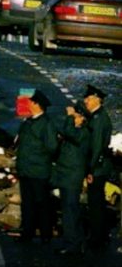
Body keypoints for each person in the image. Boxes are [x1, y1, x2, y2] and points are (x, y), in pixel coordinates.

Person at [14, 89, 58, 243]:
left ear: (37, 105)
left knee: (42, 203)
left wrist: (39, 154)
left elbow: (52, 146)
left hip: (39, 170)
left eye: (31, 102)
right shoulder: (28, 121)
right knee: (27, 204)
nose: (28, 104)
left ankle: (46, 234)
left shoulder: (46, 124)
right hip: (26, 170)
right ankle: (27, 233)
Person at [51, 101, 90, 255]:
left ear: (82, 118)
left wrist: (69, 116)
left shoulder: (83, 133)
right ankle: (76, 241)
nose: (73, 119)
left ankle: (73, 244)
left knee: (70, 211)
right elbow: (62, 130)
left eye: (76, 117)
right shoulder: (75, 132)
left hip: (72, 177)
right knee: (70, 210)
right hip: (66, 175)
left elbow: (68, 131)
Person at [83, 84, 114, 250]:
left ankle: (97, 238)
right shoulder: (96, 117)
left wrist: (90, 170)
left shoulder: (99, 120)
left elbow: (96, 148)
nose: (85, 101)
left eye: (88, 98)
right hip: (99, 167)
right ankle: (98, 236)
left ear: (97, 100)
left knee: (95, 204)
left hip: (98, 168)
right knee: (96, 203)